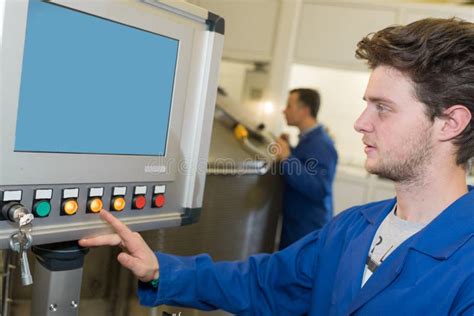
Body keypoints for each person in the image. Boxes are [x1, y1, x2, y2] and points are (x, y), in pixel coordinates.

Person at [79, 18, 474, 314]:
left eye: (382, 108)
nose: (360, 122)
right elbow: (262, 283)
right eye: (366, 103)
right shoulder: (351, 229)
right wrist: (161, 269)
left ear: (450, 122)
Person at [275, 88, 338, 249]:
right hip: (296, 225)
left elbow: (318, 188)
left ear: (304, 111)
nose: (284, 110)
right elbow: (306, 167)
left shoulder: (321, 144)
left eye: (289, 106)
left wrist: (287, 159)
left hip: (307, 229)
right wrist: (290, 150)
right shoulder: (309, 140)